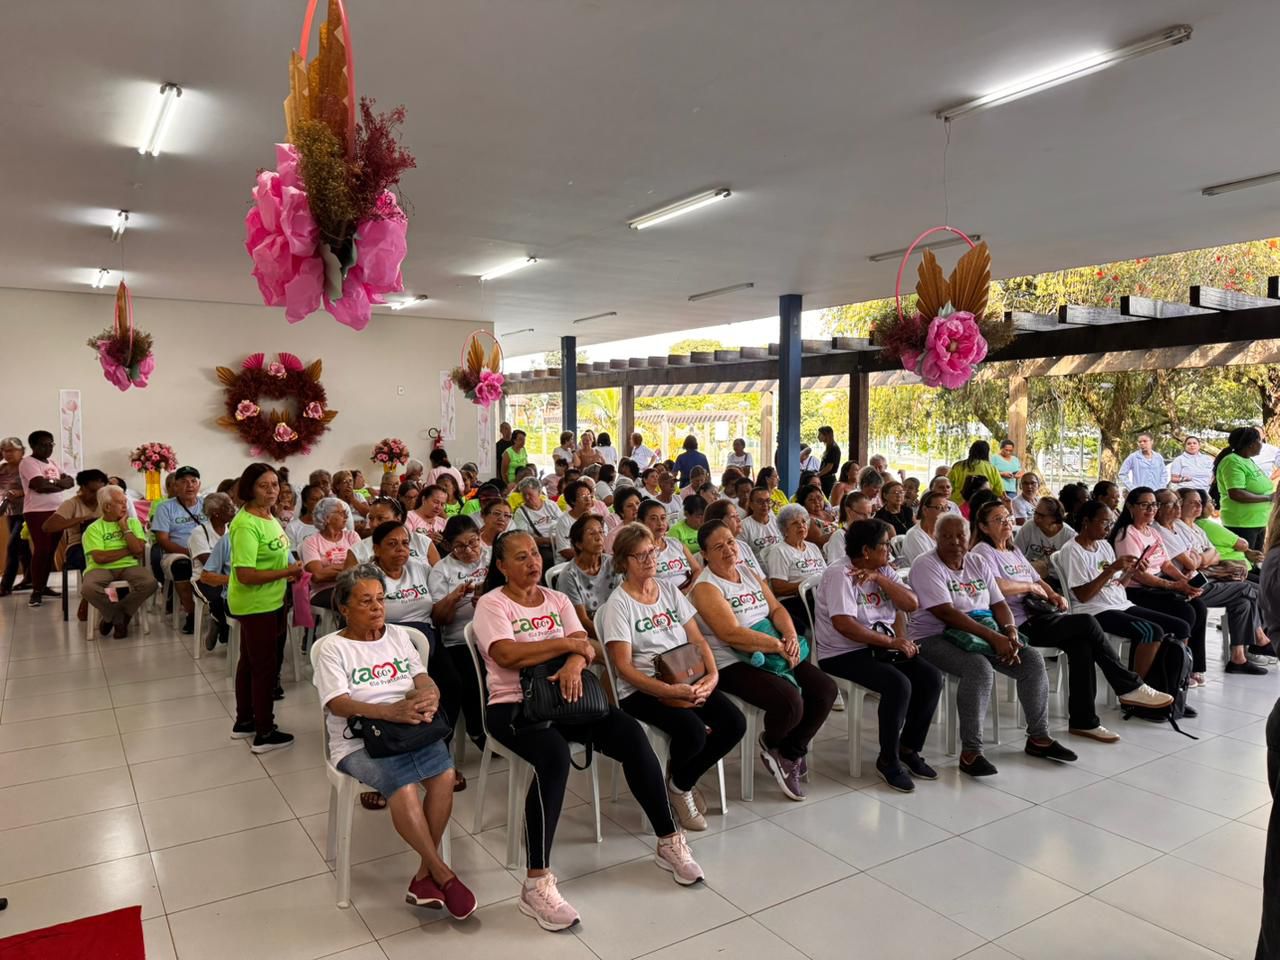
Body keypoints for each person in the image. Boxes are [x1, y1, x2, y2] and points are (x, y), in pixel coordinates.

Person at [473, 531, 705, 929]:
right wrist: (567, 646)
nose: (532, 563)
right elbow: (506, 654)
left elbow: (586, 645)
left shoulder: (557, 599)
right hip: (514, 706)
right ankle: (536, 883)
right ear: (501, 567)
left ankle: (668, 840)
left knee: (631, 734)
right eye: (521, 557)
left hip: (571, 696)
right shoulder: (491, 605)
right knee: (554, 757)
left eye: (536, 554)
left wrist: (574, 662)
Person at [311, 565, 476, 919]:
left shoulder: (400, 637)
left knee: (445, 776)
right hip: (358, 742)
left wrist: (429, 696)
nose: (377, 608)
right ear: (344, 607)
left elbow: (422, 678)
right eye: (366, 601)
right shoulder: (333, 649)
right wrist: (389, 712)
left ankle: (423, 877)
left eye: (381, 600)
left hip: (410, 730)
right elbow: (338, 703)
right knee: (402, 789)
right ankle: (442, 873)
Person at [971, 499, 1173, 741]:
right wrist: (1030, 588)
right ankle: (1128, 686)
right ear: (983, 527)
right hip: (1015, 623)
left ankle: (1084, 721)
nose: (1007, 522)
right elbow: (995, 586)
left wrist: (1053, 594)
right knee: (1086, 622)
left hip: (1040, 615)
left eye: (1008, 517)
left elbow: (1038, 579)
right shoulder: (982, 552)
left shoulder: (1013, 551)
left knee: (1082, 645)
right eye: (999, 519)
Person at [601, 522, 746, 830]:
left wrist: (712, 676)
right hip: (641, 689)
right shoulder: (619, 604)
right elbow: (623, 667)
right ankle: (682, 787)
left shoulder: (667, 588)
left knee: (734, 723)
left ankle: (679, 783)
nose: (649, 559)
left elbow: (697, 640)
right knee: (692, 732)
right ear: (623, 562)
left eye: (651, 551)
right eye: (639, 556)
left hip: (684, 673)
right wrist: (668, 692)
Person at [909, 514, 1076, 777]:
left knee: (1031, 660)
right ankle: (971, 752)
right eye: (946, 536)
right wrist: (994, 638)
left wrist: (1009, 631)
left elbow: (998, 604)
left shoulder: (976, 561)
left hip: (983, 630)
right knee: (979, 668)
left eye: (960, 535)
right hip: (932, 636)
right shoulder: (925, 564)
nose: (954, 541)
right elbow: (946, 613)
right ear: (935, 538)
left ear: (969, 536)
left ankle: (1038, 738)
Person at [690, 520, 836, 800]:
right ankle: (776, 743)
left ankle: (787, 751)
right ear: (705, 554)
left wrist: (791, 636)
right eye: (718, 547)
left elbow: (777, 608)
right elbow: (730, 634)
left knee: (825, 690)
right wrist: (778, 645)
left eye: (730, 542)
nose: (728, 550)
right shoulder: (706, 587)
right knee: (790, 701)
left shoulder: (746, 572)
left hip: (773, 649)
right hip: (732, 661)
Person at [815, 519, 942, 791]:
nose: (890, 551)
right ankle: (888, 760)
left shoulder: (882, 569)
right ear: (866, 550)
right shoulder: (840, 574)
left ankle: (908, 748)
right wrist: (892, 641)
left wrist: (880, 579)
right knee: (898, 684)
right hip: (843, 651)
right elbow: (844, 625)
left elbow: (910, 603)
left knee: (930, 677)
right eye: (885, 545)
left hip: (880, 645)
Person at [1058, 500, 1194, 679]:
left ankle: (1171, 684)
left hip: (1120, 603)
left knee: (1181, 627)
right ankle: (1136, 690)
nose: (1108, 527)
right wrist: (1112, 569)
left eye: (1111, 522)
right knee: (1151, 632)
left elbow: (1117, 586)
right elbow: (1083, 596)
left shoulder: (1104, 546)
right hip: (1095, 610)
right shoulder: (1072, 550)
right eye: (1104, 522)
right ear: (1086, 521)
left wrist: (1130, 573)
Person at [228, 463, 303, 753]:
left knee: (249, 662)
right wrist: (286, 573)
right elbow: (245, 574)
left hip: (272, 599)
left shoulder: (267, 516)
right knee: (264, 667)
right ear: (249, 488)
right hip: (255, 603)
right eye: (264, 485)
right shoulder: (246, 523)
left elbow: (274, 554)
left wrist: (288, 568)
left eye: (275, 485)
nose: (272, 491)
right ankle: (264, 731)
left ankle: (244, 721)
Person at [1111, 487, 1208, 686]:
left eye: (1154, 504)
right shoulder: (1126, 533)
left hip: (1157, 585)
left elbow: (1166, 564)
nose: (1151, 509)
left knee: (1199, 607)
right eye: (1144, 505)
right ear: (1130, 506)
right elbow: (1138, 573)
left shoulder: (1152, 531)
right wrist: (1174, 586)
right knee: (1185, 612)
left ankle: (1191, 666)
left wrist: (1184, 582)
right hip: (1136, 590)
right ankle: (1173, 672)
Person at [427, 517, 489, 752]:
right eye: (460, 546)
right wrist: (454, 597)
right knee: (472, 676)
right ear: (449, 546)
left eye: (473, 542)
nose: (469, 550)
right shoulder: (441, 570)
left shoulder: (490, 557)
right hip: (459, 639)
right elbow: (439, 619)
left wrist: (487, 598)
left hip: (493, 633)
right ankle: (477, 729)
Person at [80, 485, 158, 638]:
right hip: (100, 568)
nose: (125, 505)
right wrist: (129, 550)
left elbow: (139, 552)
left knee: (150, 583)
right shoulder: (94, 528)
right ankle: (118, 617)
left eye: (125, 501)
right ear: (107, 507)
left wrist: (125, 528)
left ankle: (115, 616)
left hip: (129, 566)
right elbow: (100, 558)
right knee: (88, 588)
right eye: (120, 502)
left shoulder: (133, 523)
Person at [19, 430, 73, 606]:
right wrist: (58, 483)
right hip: (37, 511)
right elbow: (39, 485)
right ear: (33, 446)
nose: (48, 447)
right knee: (41, 549)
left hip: (57, 510)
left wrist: (54, 484)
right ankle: (36, 591)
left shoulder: (52, 462)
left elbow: (70, 481)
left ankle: (43, 586)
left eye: (51, 444)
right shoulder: (28, 462)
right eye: (44, 444)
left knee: (50, 550)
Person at [44, 469, 107, 619]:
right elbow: (48, 527)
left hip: (104, 544)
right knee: (89, 558)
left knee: (116, 558)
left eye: (101, 492)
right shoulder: (71, 504)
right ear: (82, 488)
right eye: (93, 491)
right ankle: (91, 597)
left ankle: (100, 597)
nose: (97, 496)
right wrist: (80, 519)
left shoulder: (106, 501)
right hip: (78, 546)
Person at [764, 504, 827, 635]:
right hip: (795, 601)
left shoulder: (813, 547)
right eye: (795, 523)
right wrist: (806, 584)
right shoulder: (778, 551)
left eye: (804, 521)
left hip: (819, 596)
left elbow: (826, 575)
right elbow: (778, 588)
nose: (801, 525)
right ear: (785, 530)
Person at [1214, 427, 1274, 551]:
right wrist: (1268, 497)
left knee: (1257, 562)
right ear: (1251, 444)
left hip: (1257, 521)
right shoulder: (1232, 462)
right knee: (1246, 563)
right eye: (1259, 441)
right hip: (1241, 523)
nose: (1261, 444)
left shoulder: (1247, 460)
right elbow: (1236, 493)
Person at [558, 513, 614, 644]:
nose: (599, 537)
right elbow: (582, 621)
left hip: (614, 622)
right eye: (591, 533)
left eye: (601, 532)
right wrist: (611, 639)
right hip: (588, 632)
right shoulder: (569, 576)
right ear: (578, 544)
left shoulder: (612, 563)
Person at [189, 491, 234, 651]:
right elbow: (209, 563)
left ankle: (221, 625)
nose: (233, 509)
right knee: (218, 598)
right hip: (203, 579)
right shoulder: (200, 532)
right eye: (228, 507)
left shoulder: (233, 530)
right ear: (216, 513)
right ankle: (222, 626)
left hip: (229, 577)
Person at [301, 498, 360, 609]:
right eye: (341, 513)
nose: (346, 517)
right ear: (327, 518)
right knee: (353, 601)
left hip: (352, 587)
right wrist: (349, 567)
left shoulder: (352, 536)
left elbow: (361, 567)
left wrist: (331, 569)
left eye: (346, 513)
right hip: (323, 591)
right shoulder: (311, 542)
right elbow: (317, 576)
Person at [638, 499, 700, 589]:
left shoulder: (675, 543)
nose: (660, 523)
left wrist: (689, 589)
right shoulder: (640, 551)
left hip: (690, 591)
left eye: (663, 518)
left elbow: (697, 569)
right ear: (641, 522)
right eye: (653, 519)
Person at [702, 499, 767, 580]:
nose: (739, 520)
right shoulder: (709, 554)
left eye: (738, 516)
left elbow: (762, 578)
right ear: (719, 522)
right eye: (733, 516)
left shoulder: (743, 546)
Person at [1014, 495, 1075, 578]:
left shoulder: (1069, 536)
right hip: (1029, 574)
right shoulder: (1030, 526)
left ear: (1054, 518)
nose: (1036, 517)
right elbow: (1015, 553)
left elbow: (1070, 569)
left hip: (1057, 579)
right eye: (1035, 513)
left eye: (1041, 516)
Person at [0, 437, 30, 595]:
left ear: (22, 451)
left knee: (13, 546)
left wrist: (20, 493)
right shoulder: (3, 469)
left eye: (12, 450)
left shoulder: (27, 465)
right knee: (22, 548)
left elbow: (39, 486)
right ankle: (29, 579)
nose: (8, 453)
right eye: (4, 450)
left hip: (28, 511)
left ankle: (5, 585)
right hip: (10, 512)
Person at [824, 491, 876, 565]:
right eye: (862, 514)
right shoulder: (839, 536)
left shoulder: (872, 533)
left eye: (870, 514)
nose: (867, 518)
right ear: (848, 511)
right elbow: (836, 567)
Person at [946, 441, 1004, 505]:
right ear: (987, 453)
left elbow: (948, 485)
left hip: (957, 505)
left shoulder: (958, 466)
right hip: (982, 507)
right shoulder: (992, 468)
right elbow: (999, 491)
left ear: (971, 451)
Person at [552, 480, 596, 561]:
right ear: (572, 501)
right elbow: (565, 551)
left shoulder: (596, 518)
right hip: (569, 563)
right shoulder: (564, 521)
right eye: (583, 496)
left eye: (589, 495)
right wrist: (589, 557)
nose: (588, 499)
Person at [903, 490, 948, 564]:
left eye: (946, 508)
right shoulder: (915, 536)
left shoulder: (943, 532)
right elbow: (929, 565)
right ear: (925, 510)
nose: (944, 512)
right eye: (939, 507)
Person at [476, 498, 513, 566]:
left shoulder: (510, 544)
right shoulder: (474, 544)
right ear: (484, 516)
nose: (502, 518)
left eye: (506, 515)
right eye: (497, 513)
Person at [286, 483, 323, 550]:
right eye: (314, 499)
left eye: (322, 499)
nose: (320, 502)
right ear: (305, 503)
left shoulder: (331, 524)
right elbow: (293, 554)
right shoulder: (292, 527)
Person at [816, 426, 841, 497]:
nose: (818, 437)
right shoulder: (829, 447)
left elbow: (829, 467)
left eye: (820, 434)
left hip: (828, 481)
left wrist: (818, 475)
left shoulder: (834, 448)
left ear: (826, 435)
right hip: (825, 479)